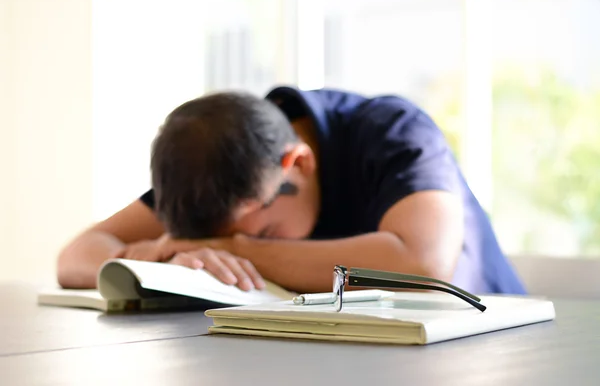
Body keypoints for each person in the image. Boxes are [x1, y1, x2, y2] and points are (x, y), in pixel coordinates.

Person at [57, 85, 526, 295]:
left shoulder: (395, 132)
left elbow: (420, 264)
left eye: (264, 233)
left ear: (297, 163)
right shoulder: (215, 166)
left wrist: (228, 249)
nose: (232, 242)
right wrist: (161, 256)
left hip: (483, 349)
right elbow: (77, 254)